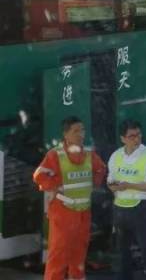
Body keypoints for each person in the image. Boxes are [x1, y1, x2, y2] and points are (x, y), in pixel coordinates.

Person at [33, 116, 106, 280]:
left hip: (83, 213)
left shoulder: (89, 153)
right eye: (76, 131)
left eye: (82, 130)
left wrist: (94, 183)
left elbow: (100, 169)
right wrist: (54, 185)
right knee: (58, 257)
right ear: (66, 134)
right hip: (62, 213)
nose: (81, 134)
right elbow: (38, 176)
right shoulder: (55, 155)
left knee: (78, 257)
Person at [107, 120, 146, 280]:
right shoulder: (116, 156)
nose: (136, 139)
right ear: (123, 138)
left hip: (142, 209)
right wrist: (114, 186)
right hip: (120, 210)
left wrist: (129, 185)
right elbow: (110, 180)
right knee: (123, 254)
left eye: (138, 135)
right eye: (132, 136)